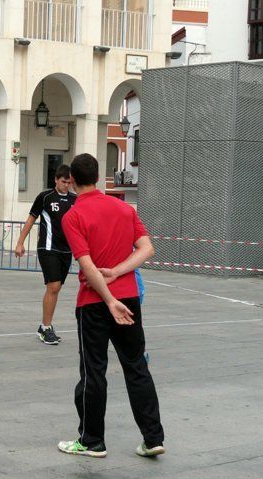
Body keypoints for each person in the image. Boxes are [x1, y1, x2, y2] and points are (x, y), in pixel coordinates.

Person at [57, 153, 164, 458]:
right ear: (98, 175)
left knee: (94, 371)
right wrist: (119, 273)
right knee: (136, 366)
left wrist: (108, 298)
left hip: (94, 302)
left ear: (73, 181)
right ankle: (153, 437)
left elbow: (87, 265)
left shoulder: (73, 216)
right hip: (129, 297)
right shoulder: (124, 208)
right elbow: (147, 249)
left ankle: (92, 441)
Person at [14, 165, 76, 346]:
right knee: (53, 285)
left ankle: (45, 326)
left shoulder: (76, 200)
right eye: (64, 182)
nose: (67, 185)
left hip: (67, 250)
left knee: (56, 288)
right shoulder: (45, 197)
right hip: (48, 248)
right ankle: (45, 327)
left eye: (70, 182)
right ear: (56, 180)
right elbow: (31, 219)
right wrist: (20, 242)